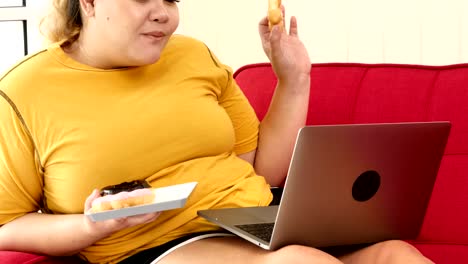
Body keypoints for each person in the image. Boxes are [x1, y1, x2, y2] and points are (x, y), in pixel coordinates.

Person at [0, 0, 434, 263]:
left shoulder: (193, 55)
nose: (164, 16)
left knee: (395, 255)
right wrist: (92, 227)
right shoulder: (24, 91)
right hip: (153, 243)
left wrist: (294, 79)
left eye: (171, 0)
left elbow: (263, 171)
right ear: (89, 3)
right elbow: (7, 225)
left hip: (253, 218)